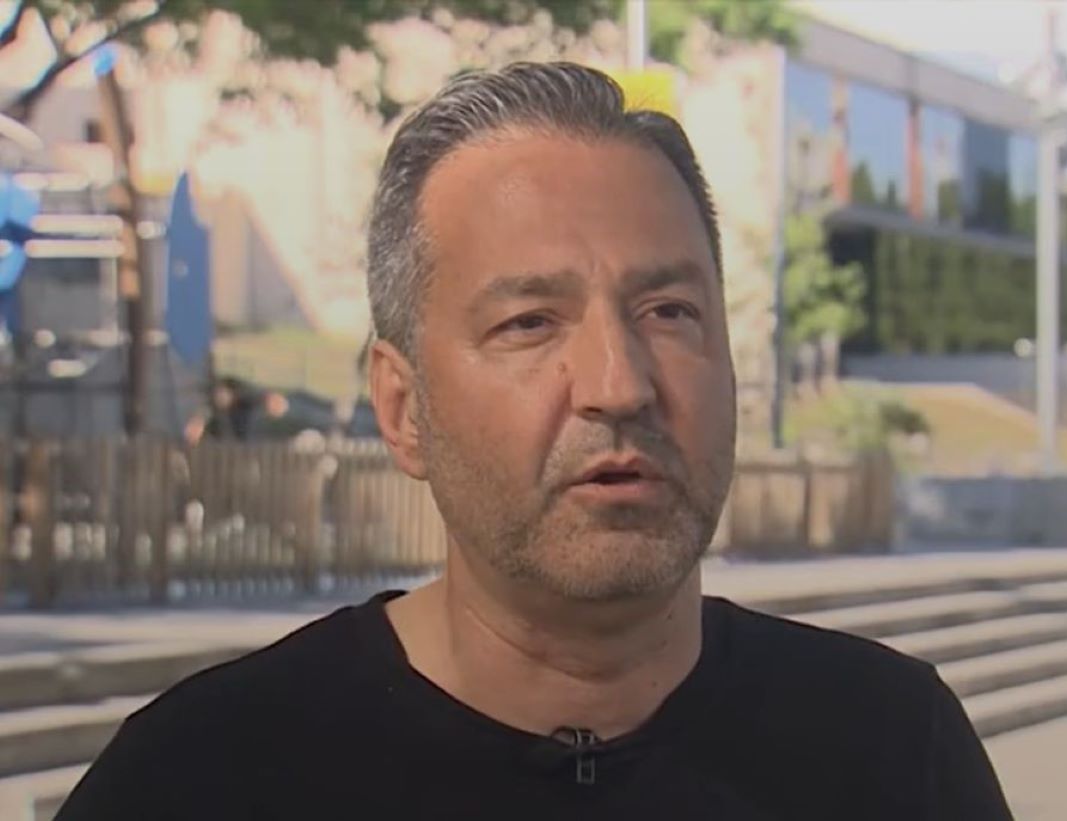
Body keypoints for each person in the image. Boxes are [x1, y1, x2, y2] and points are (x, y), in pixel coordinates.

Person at [56, 62, 1012, 820]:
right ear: (403, 407)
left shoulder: (894, 749)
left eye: (669, 311)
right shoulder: (201, 779)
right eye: (529, 323)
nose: (619, 385)